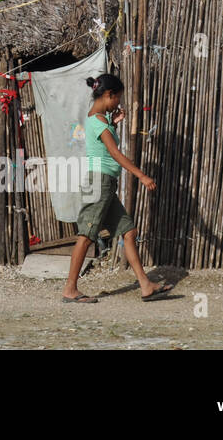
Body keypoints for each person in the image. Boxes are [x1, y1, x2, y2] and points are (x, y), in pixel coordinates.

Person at [61, 73, 173, 304]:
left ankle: (145, 285)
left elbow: (103, 144)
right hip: (98, 183)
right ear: (108, 95)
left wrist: (114, 123)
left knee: (129, 231)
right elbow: (114, 153)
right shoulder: (97, 121)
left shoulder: (101, 119)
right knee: (86, 235)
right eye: (117, 99)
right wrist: (141, 175)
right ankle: (70, 289)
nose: (118, 104)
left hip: (106, 184)